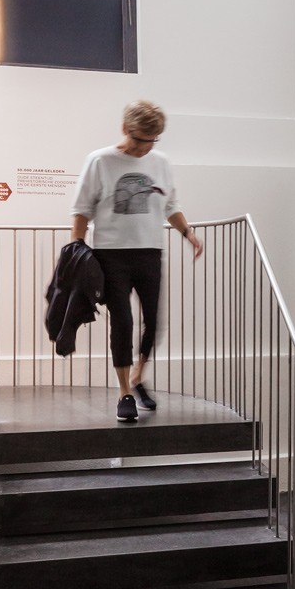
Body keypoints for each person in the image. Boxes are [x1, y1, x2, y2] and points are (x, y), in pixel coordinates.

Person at [70, 100, 203, 422]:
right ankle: (124, 393)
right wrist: (76, 250)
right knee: (123, 322)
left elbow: (170, 205)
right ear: (125, 129)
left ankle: (138, 377)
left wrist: (188, 233)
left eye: (152, 141)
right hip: (111, 254)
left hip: (150, 252)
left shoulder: (160, 162)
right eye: (140, 139)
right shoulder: (100, 161)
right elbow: (82, 210)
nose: (146, 147)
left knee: (154, 322)